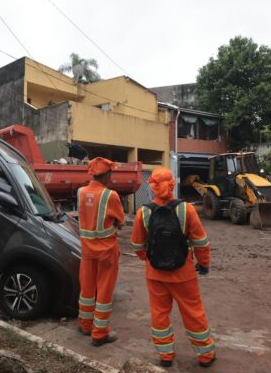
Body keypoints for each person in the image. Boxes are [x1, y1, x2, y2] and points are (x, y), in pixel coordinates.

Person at [130, 168, 216, 368]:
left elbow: (137, 245)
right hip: (184, 274)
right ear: (172, 185)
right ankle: (205, 355)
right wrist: (204, 264)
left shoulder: (144, 212)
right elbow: (201, 242)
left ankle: (166, 355)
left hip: (155, 275)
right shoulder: (186, 209)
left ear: (152, 187)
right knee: (193, 313)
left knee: (159, 314)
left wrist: (148, 259)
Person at [76, 157, 125, 346]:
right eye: (110, 174)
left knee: (86, 289)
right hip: (106, 250)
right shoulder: (110, 195)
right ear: (106, 175)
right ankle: (99, 334)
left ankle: (85, 325)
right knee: (104, 291)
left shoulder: (81, 192)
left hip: (87, 249)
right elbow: (121, 221)